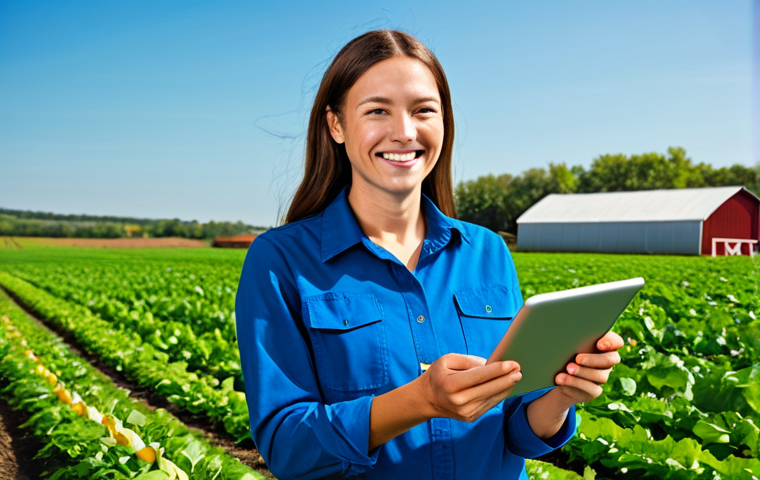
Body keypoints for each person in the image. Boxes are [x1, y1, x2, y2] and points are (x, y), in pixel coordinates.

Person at [235, 29, 623, 480]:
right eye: (377, 111)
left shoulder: (488, 253)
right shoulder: (280, 261)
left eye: (423, 111)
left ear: (444, 124)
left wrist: (563, 393)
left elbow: (516, 432)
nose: (404, 132)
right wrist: (418, 401)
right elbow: (288, 448)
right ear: (336, 125)